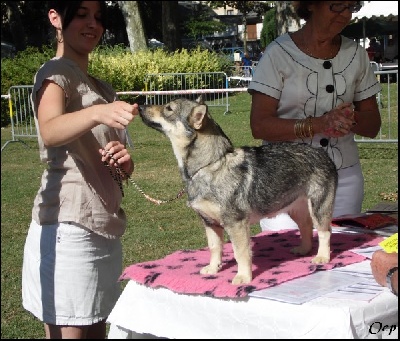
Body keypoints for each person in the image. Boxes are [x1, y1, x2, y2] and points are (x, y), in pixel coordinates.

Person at [21, 1, 138, 339]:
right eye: (82, 15)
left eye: (99, 18)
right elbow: (50, 130)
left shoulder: (101, 87)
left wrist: (125, 162)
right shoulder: (54, 72)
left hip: (103, 226)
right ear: (56, 18)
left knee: (96, 329)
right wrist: (97, 114)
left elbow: (114, 162)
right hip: (68, 228)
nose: (92, 24)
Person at [248, 1, 382, 232]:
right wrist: (318, 124)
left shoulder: (356, 54)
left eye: (352, 6)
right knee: (286, 257)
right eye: (338, 6)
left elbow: (373, 125)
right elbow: (259, 125)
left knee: (340, 255)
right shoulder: (278, 54)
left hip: (343, 180)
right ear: (311, 5)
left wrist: (349, 119)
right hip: (283, 180)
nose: (346, 14)